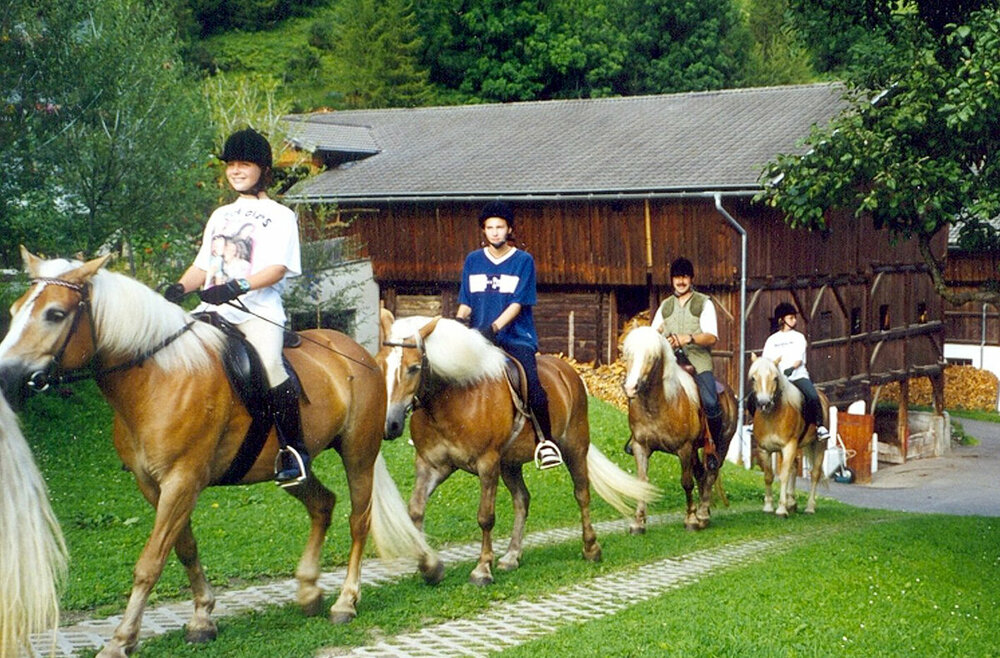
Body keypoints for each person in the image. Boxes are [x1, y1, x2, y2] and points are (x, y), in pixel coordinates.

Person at [163, 127, 308, 486]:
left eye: (244, 164)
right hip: (212, 310)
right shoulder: (220, 215)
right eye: (231, 165)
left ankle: (294, 452)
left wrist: (235, 286)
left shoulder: (280, 215)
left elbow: (275, 269)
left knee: (272, 366)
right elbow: (202, 266)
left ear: (263, 170)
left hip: (257, 312)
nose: (236, 171)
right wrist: (179, 287)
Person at [455, 200, 563, 470]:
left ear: (509, 229)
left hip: (516, 338)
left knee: (532, 385)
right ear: (484, 230)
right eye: (489, 227)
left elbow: (517, 303)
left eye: (499, 227)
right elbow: (466, 301)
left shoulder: (523, 261)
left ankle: (545, 441)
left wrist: (493, 329)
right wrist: (457, 324)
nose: (494, 232)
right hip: (478, 337)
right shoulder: (473, 260)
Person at [647, 256, 729, 469]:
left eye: (684, 277)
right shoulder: (665, 306)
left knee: (711, 402)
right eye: (677, 277)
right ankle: (639, 435)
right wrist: (667, 341)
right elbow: (654, 335)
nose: (680, 281)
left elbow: (711, 337)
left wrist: (688, 338)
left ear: (691, 279)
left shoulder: (704, 303)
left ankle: (712, 447)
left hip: (698, 362)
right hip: (672, 363)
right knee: (644, 388)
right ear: (672, 280)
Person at [759, 302, 831, 440]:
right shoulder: (771, 340)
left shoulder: (798, 337)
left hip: (797, 376)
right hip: (778, 379)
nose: (794, 320)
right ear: (782, 320)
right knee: (758, 396)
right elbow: (766, 361)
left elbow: (799, 359)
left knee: (812, 396)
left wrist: (791, 369)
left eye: (794, 318)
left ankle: (820, 426)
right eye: (791, 318)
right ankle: (755, 423)